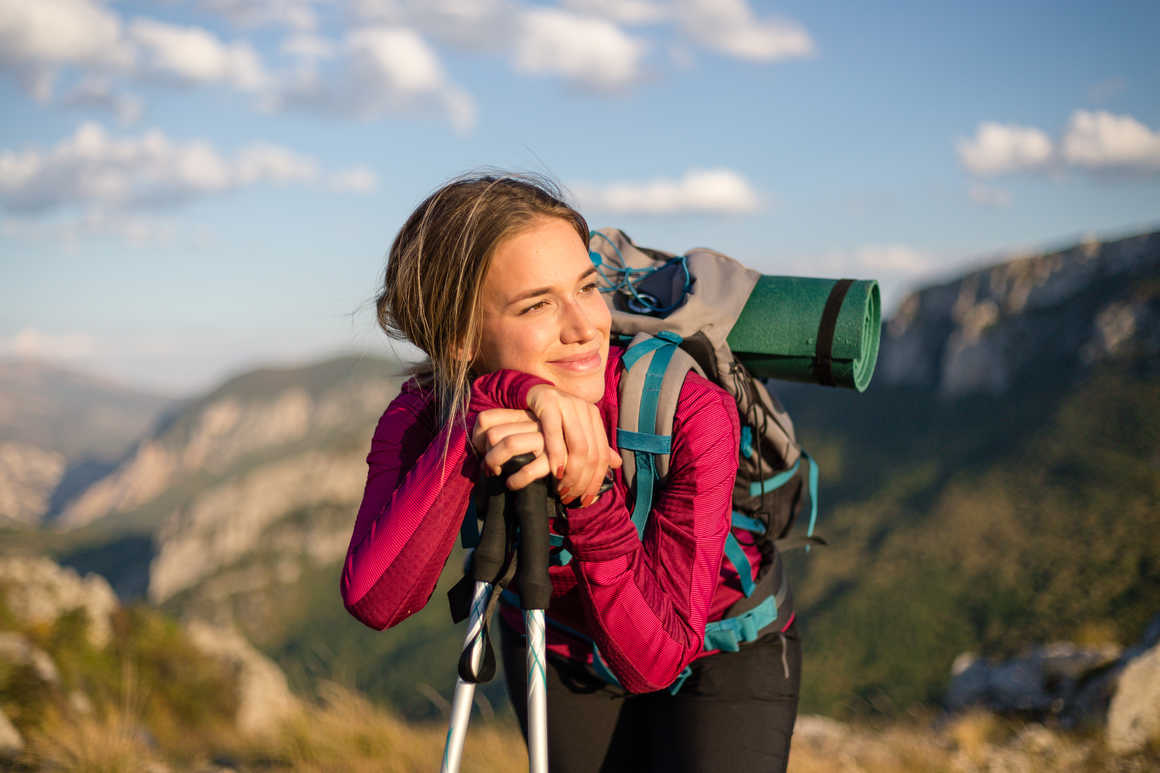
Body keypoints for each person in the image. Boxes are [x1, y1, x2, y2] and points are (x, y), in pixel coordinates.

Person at [340, 173, 801, 772]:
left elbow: (655, 661)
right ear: (457, 341)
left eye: (587, 287)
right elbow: (377, 599)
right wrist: (480, 412)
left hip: (724, 644)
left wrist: (591, 499)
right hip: (556, 643)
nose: (585, 327)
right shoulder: (423, 418)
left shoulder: (688, 407)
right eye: (537, 304)